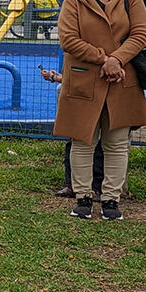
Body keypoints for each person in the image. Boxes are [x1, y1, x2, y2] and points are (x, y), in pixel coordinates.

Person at [53, 0, 146, 221]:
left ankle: (110, 200)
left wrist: (116, 60)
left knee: (117, 142)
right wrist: (103, 59)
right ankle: (83, 197)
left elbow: (140, 34)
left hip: (121, 78)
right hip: (85, 77)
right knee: (82, 140)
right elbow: (68, 40)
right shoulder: (74, 0)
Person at [40, 67, 104, 199]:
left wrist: (55, 78)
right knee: (74, 143)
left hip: (96, 96)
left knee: (98, 145)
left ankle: (95, 187)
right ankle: (71, 184)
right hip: (80, 97)